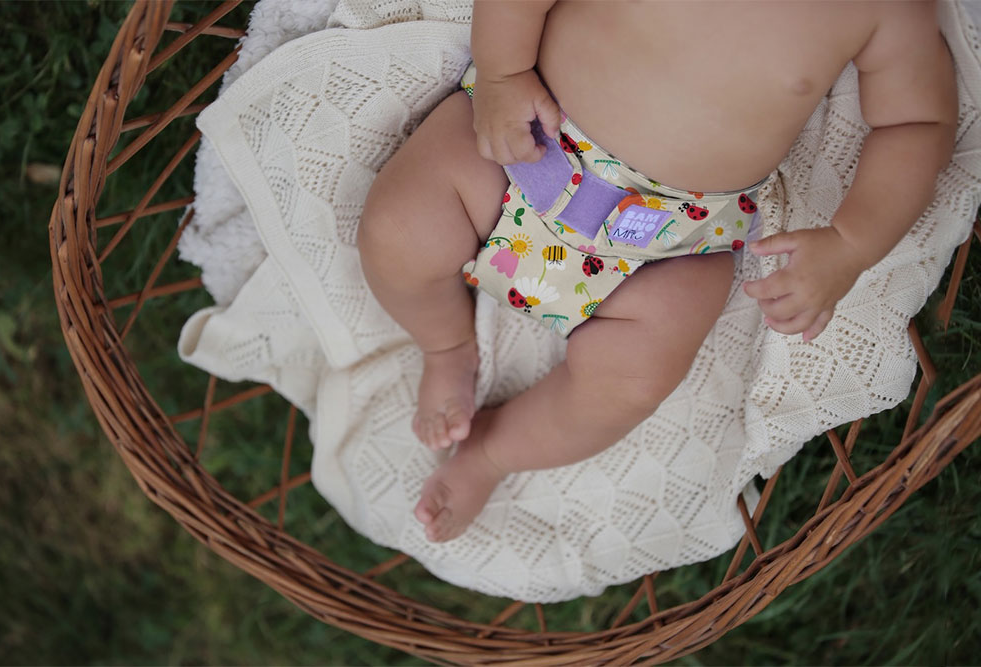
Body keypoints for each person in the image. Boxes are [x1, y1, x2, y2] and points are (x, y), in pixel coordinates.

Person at [356, 0, 957, 542]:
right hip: (529, 146)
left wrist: (851, 244)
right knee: (399, 232)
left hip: (671, 243)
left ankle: (491, 453)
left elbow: (916, 124)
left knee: (633, 383)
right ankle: (446, 344)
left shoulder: (886, 9)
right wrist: (502, 73)